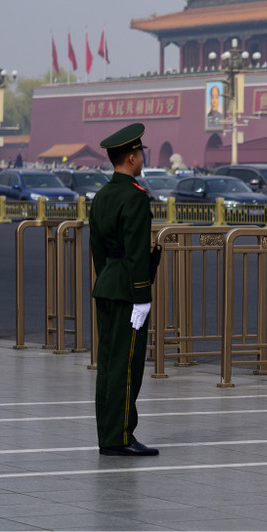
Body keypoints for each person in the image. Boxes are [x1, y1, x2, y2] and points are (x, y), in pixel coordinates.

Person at [90, 122, 159, 456]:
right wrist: (142, 297)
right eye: (140, 153)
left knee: (108, 364)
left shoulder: (102, 196)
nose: (142, 158)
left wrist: (108, 278)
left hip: (106, 285)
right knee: (127, 366)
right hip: (129, 292)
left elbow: (98, 250)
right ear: (132, 157)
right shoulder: (134, 197)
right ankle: (121, 436)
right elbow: (136, 252)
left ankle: (108, 434)